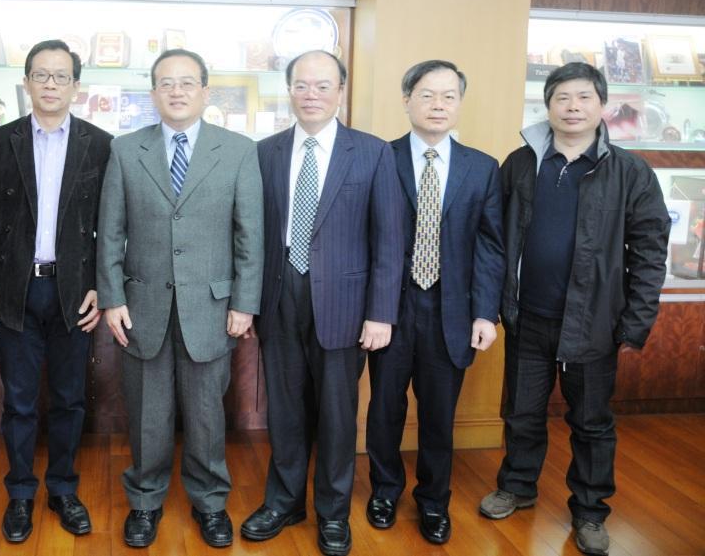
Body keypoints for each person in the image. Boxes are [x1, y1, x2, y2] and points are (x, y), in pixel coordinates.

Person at [478, 62, 670, 556]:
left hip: (593, 322)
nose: (572, 107)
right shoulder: (521, 163)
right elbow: (494, 239)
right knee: (521, 413)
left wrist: (635, 321)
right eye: (562, 97)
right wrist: (493, 306)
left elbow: (650, 251)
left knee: (591, 422)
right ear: (548, 105)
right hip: (528, 316)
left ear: (602, 105)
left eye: (584, 97)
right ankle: (517, 487)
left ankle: (589, 510)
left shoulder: (629, 171)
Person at [239, 50, 404, 556]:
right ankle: (285, 502)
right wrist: (249, 301)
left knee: (337, 414)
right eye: (302, 85)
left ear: (340, 92)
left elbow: (389, 240)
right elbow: (250, 233)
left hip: (346, 304)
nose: (311, 95)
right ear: (289, 90)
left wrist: (381, 313)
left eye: (323, 85)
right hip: (279, 295)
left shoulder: (372, 152)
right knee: (285, 410)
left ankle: (333, 513)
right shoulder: (263, 152)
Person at [97, 48, 263, 549]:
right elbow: (111, 232)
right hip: (141, 304)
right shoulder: (126, 150)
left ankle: (210, 502)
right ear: (153, 93)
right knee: (147, 413)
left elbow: (249, 235)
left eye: (187, 82)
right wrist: (111, 297)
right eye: (166, 83)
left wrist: (244, 303)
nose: (176, 91)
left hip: (211, 306)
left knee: (207, 414)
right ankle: (145, 500)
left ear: (205, 92)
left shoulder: (238, 151)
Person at [0, 39, 111, 544]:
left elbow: (110, 225)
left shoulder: (100, 143)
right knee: (20, 401)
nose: (51, 84)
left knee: (71, 400)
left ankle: (64, 489)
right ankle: (21, 493)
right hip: (15, 290)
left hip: (74, 292)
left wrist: (101, 286)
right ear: (26, 82)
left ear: (76, 86)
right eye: (42, 75)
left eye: (61, 76)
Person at [365, 60, 504, 545]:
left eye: (449, 96)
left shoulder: (482, 167)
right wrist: (372, 308)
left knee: (439, 415)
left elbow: (490, 247)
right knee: (384, 408)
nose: (438, 105)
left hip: (452, 311)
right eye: (427, 95)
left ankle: (433, 501)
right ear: (407, 100)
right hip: (391, 308)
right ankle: (384, 491)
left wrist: (485, 312)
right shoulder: (379, 157)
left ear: (460, 103)